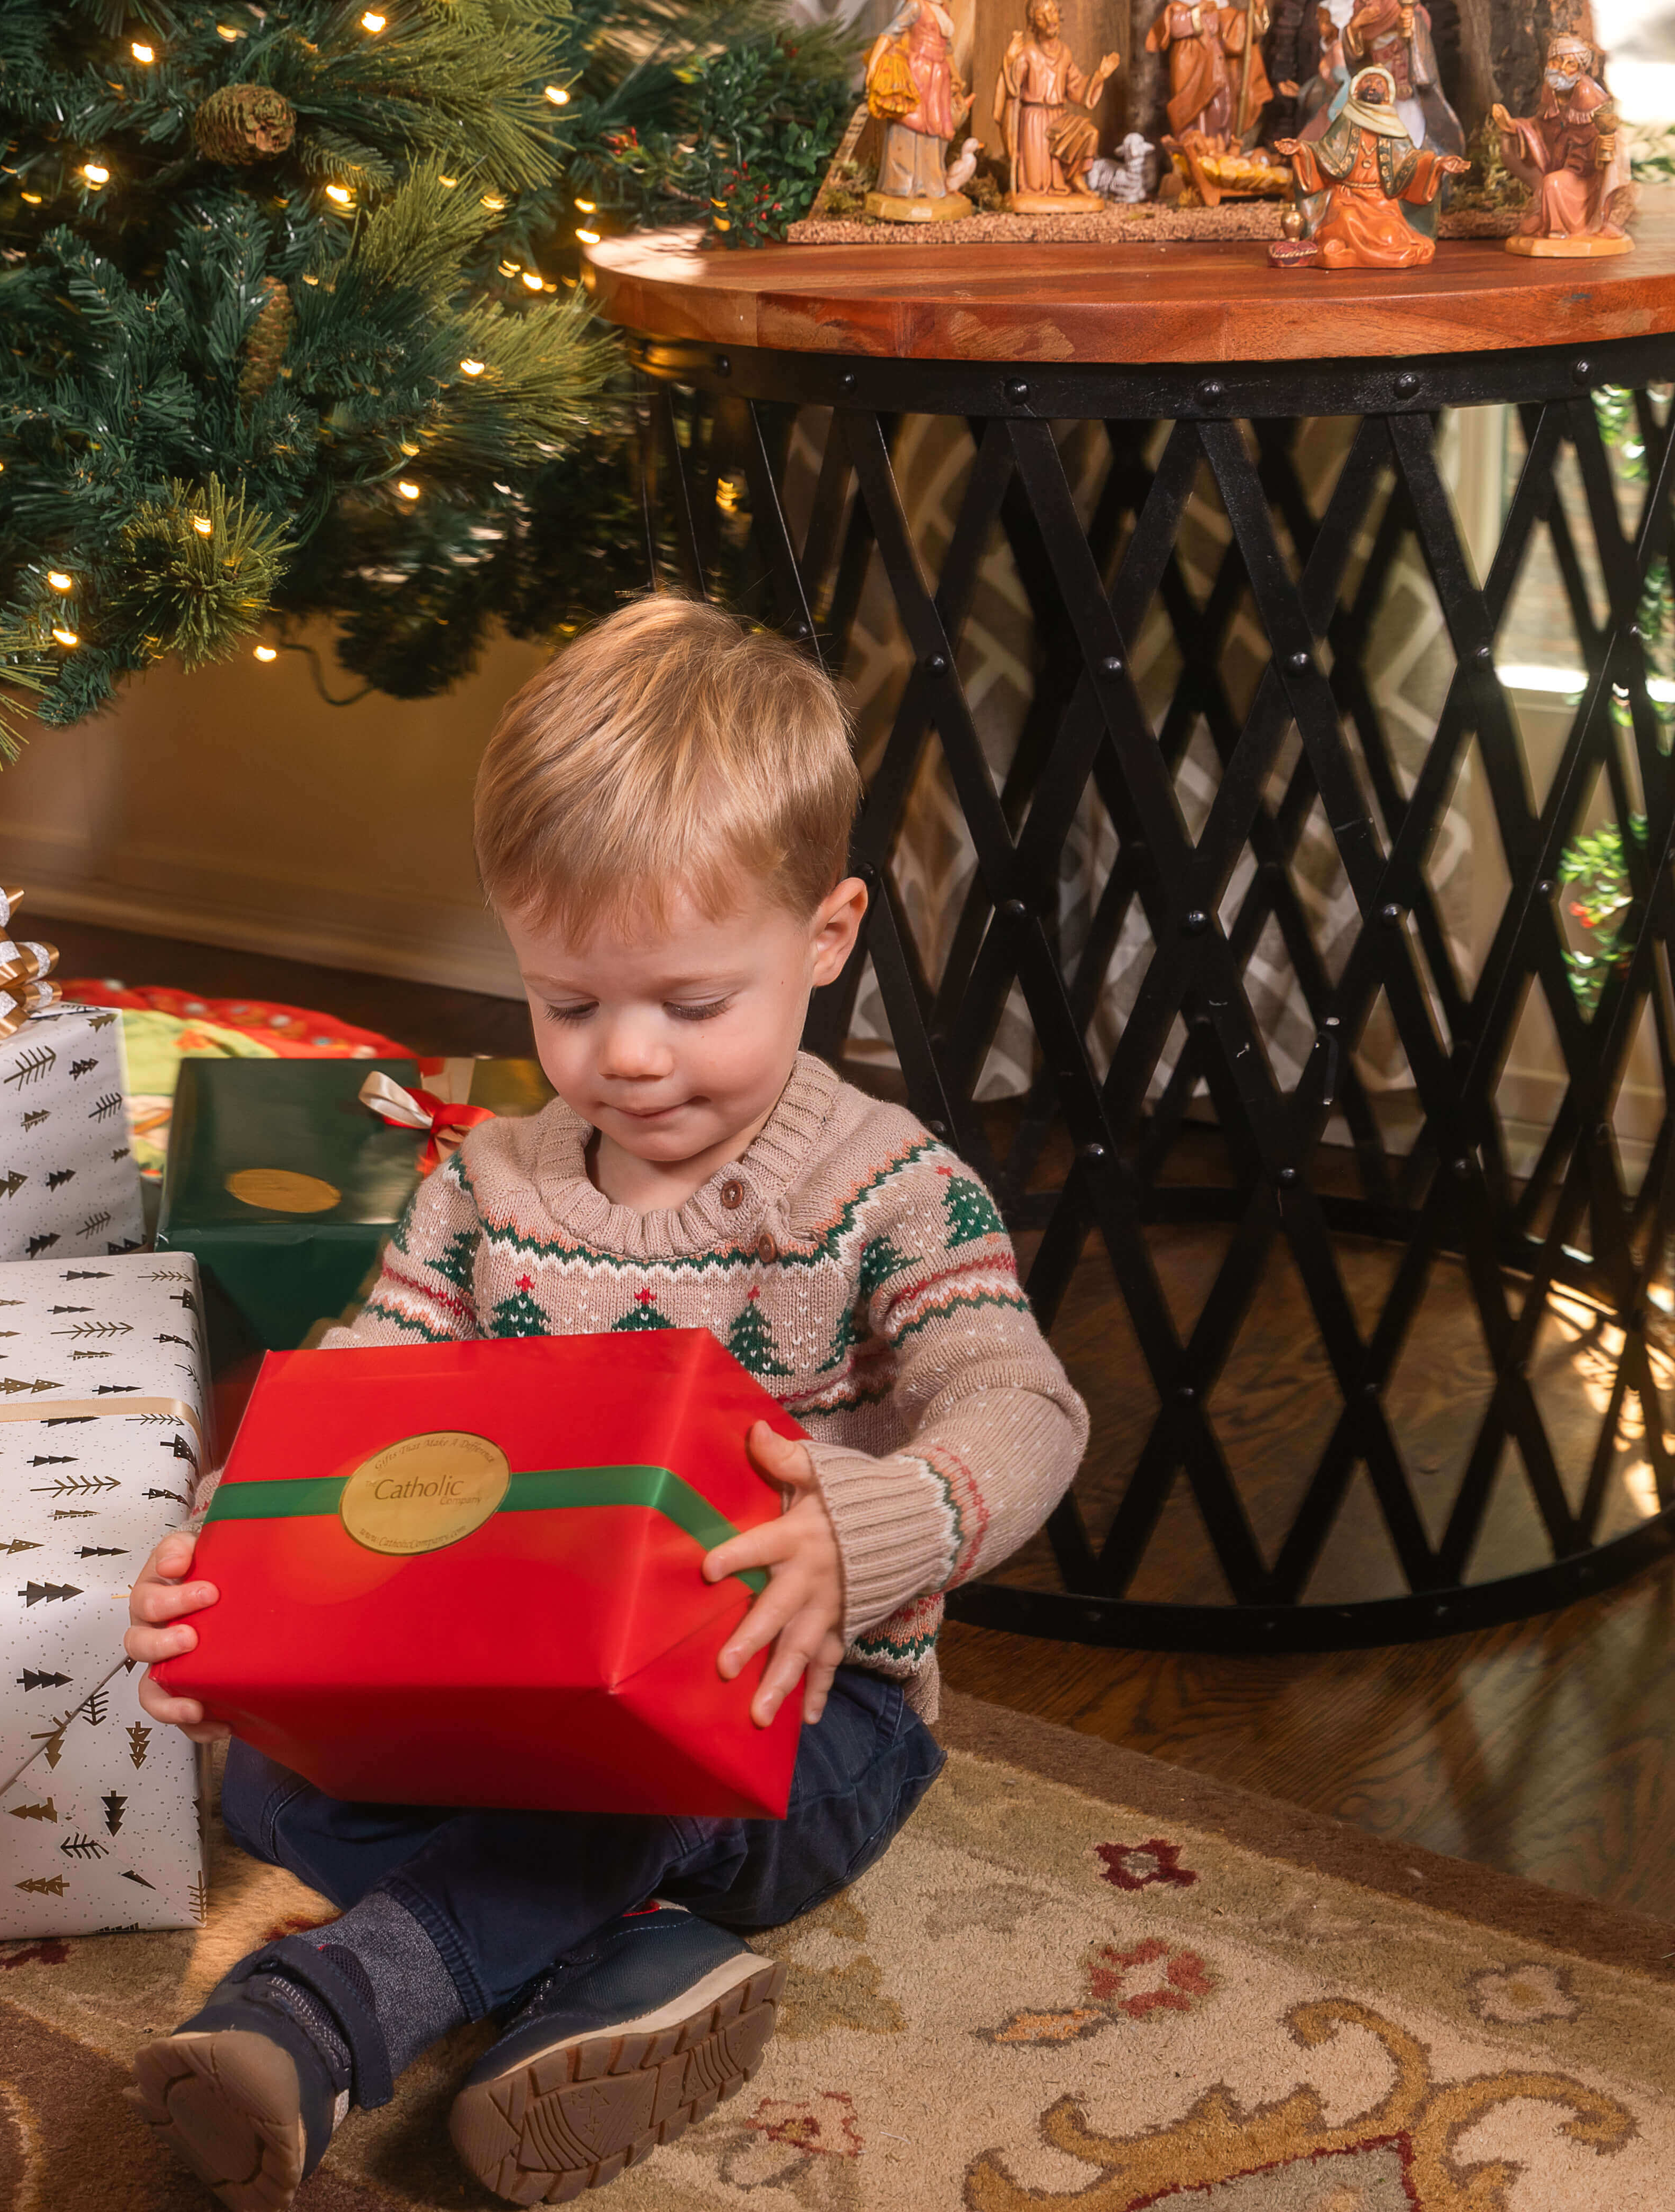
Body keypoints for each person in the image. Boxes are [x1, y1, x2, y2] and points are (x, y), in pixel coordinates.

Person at [121, 596, 1088, 2210]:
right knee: (273, 1774)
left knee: (638, 1776)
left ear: (828, 935)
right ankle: (628, 1967)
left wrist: (872, 1528)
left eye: (689, 1003)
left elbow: (1024, 1402)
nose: (625, 1057)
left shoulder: (892, 1189)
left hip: (799, 1717)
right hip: (517, 1682)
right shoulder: (485, 1184)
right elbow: (363, 1387)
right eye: (567, 1003)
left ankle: (316, 2016)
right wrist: (239, 1568)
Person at [1274, 63, 1467, 265]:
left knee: (1390, 236)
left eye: (1379, 83)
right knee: (1346, 221)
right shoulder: (1346, 121)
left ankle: (1353, 251)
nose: (1373, 86)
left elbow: (1410, 159)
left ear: (1387, 93)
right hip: (1346, 198)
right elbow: (1325, 152)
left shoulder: (1393, 127)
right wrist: (1301, 150)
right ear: (1357, 88)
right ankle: (1338, 249)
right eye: (1368, 81)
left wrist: (1437, 164)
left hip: (1381, 202)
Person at [1492, 33, 1634, 251]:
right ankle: (1549, 221)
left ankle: (1560, 231)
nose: (1561, 69)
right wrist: (1516, 126)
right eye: (1556, 61)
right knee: (1541, 197)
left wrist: (1599, 149)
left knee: (1553, 183)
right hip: (1561, 163)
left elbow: (1596, 138)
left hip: (1586, 174)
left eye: (1570, 64)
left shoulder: (1586, 94)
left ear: (1580, 71)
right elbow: (1542, 125)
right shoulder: (1552, 89)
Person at [993, 0, 1121, 203]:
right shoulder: (1028, 53)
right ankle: (1031, 189)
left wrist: (1099, 76)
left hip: (1058, 118)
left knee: (1088, 134)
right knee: (1036, 185)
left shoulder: (1065, 52)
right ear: (1033, 25)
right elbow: (1013, 90)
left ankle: (1076, 179)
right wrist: (1009, 61)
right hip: (1033, 122)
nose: (1050, 20)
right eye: (1042, 17)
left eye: (1052, 12)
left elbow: (1077, 88)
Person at [865, 0, 968, 213]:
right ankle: (901, 184)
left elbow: (947, 48)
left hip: (938, 77)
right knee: (910, 126)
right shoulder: (916, 7)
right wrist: (875, 62)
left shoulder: (944, 11)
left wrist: (955, 75)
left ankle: (930, 184)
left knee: (935, 128)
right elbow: (890, 33)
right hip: (917, 73)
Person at [1146, 0, 1274, 149]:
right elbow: (1174, 27)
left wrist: (1257, 10)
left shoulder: (1221, 9)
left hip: (1216, 72)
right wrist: (1198, 11)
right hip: (1190, 70)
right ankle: (1191, 153)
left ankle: (1217, 152)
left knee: (1220, 110)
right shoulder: (1179, 6)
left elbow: (1237, 36)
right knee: (1189, 113)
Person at [1341, 0, 1461, 153]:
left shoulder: (1398, 6)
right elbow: (1356, 59)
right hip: (1378, 91)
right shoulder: (1361, 8)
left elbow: (1419, 27)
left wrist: (1410, 25)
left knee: (1409, 128)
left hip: (1404, 87)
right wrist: (1354, 28)